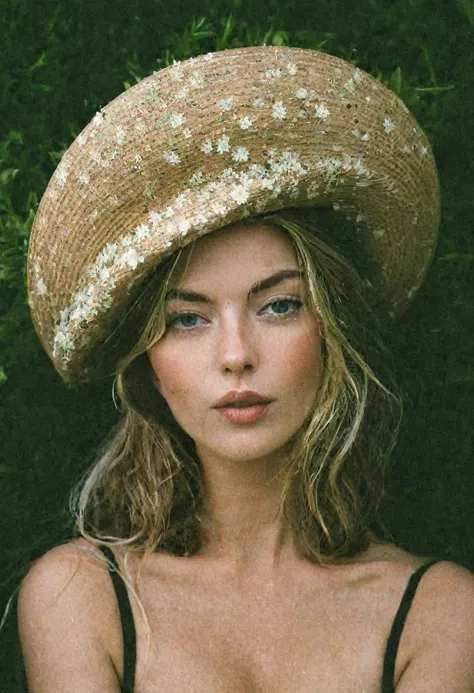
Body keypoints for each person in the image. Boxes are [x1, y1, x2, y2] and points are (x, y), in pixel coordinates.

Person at [15, 45, 474, 692]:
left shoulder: (440, 613)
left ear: (330, 328)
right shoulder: (82, 596)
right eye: (187, 319)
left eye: (279, 305)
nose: (236, 355)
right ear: (146, 360)